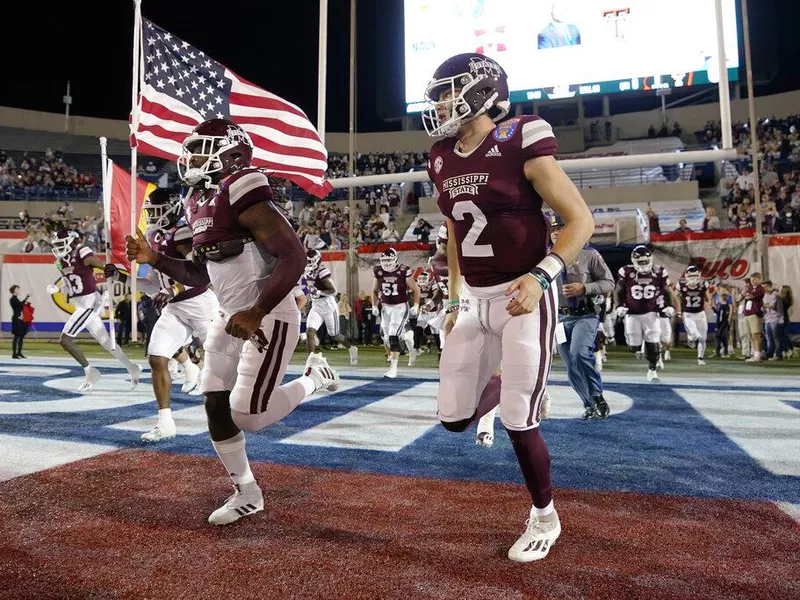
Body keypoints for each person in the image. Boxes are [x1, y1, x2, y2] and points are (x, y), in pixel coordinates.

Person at [423, 53, 594, 562]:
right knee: (454, 418)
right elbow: (456, 231)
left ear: (481, 91)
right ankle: (507, 387)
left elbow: (579, 219)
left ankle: (545, 515)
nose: (441, 103)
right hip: (476, 300)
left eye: (449, 92)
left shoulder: (521, 136)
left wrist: (544, 276)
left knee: (520, 421)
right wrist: (454, 297)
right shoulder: (440, 155)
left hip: (524, 295)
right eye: (438, 94)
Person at [126, 118, 339, 525]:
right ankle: (247, 491)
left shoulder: (242, 188)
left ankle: (313, 376)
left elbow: (293, 256)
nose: (191, 156)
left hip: (268, 315)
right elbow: (201, 275)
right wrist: (154, 260)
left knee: (249, 415)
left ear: (231, 154)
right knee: (214, 403)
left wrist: (257, 310)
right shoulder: (197, 201)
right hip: (229, 316)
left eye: (202, 148)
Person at [106, 187, 217, 442]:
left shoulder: (184, 233)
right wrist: (121, 276)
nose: (154, 216)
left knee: (222, 361)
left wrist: (174, 287)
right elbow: (153, 283)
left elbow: (203, 273)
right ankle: (165, 422)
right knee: (157, 358)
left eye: (158, 211)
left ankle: (240, 406)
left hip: (201, 304)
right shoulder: (154, 236)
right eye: (151, 212)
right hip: (176, 307)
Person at [48, 228, 141, 392]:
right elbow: (71, 288)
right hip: (80, 303)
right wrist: (58, 289)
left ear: (71, 241)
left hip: (89, 304)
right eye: (56, 244)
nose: (58, 248)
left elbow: (98, 264)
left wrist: (107, 267)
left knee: (65, 339)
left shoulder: (82, 252)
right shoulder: (60, 262)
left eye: (61, 243)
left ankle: (90, 371)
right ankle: (131, 367)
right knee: (106, 341)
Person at [550, 215, 614, 420]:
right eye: (552, 229)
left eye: (560, 227)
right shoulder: (545, 257)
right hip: (559, 318)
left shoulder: (589, 254)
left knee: (579, 353)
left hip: (584, 315)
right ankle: (588, 404)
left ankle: (597, 397)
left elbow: (609, 283)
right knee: (570, 365)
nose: (555, 233)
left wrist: (584, 288)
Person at [615, 246, 675, 382]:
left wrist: (669, 305)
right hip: (632, 313)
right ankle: (638, 345)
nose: (643, 265)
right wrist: (619, 306)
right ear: (634, 261)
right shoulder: (626, 271)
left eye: (645, 261)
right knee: (633, 347)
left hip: (651, 312)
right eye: (640, 262)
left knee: (653, 340)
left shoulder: (659, 271)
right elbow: (618, 290)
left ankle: (652, 370)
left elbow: (666, 290)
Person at [371, 247, 420, 378]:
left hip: (400, 306)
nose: (386, 263)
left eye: (389, 259)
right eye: (384, 260)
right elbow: (375, 290)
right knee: (386, 337)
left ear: (395, 259)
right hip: (386, 308)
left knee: (393, 335)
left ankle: (393, 369)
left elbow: (415, 289)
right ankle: (407, 336)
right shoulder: (378, 271)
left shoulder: (403, 270)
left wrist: (416, 305)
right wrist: (374, 305)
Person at [304, 249, 358, 365]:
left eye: (311, 261)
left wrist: (318, 292)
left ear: (318, 261)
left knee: (335, 335)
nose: (309, 263)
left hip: (328, 306)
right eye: (308, 261)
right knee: (310, 332)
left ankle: (351, 347)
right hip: (316, 305)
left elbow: (334, 291)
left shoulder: (322, 272)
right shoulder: (306, 272)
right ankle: (311, 361)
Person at [675, 266, 712, 365]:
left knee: (702, 338)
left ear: (698, 276)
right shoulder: (681, 285)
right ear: (686, 276)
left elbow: (708, 298)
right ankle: (690, 338)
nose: (692, 278)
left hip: (700, 313)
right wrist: (678, 310)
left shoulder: (703, 284)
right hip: (688, 314)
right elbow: (675, 297)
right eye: (691, 276)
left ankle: (700, 358)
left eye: (695, 276)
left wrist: (708, 303)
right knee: (694, 335)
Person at [743, 273, 765, 362]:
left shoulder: (761, 288)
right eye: (752, 280)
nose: (752, 281)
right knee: (750, 336)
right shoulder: (750, 288)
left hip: (755, 314)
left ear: (759, 279)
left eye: (755, 279)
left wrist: (748, 294)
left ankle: (758, 355)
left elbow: (751, 296)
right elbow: (744, 295)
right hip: (747, 313)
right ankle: (754, 354)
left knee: (756, 335)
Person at [9, 285, 31, 359]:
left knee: (21, 336)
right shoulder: (13, 299)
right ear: (14, 290)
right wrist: (26, 298)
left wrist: (26, 301)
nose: (18, 290)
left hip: (21, 319)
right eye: (17, 289)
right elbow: (19, 305)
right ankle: (14, 353)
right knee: (17, 336)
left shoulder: (16, 299)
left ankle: (19, 352)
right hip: (16, 319)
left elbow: (21, 305)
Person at [713, 291, 732, 357]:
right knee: (718, 338)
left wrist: (718, 325)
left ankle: (725, 352)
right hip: (721, 324)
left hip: (723, 324)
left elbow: (721, 316)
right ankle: (718, 352)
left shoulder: (725, 306)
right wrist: (713, 308)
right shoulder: (722, 306)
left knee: (723, 338)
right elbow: (719, 314)